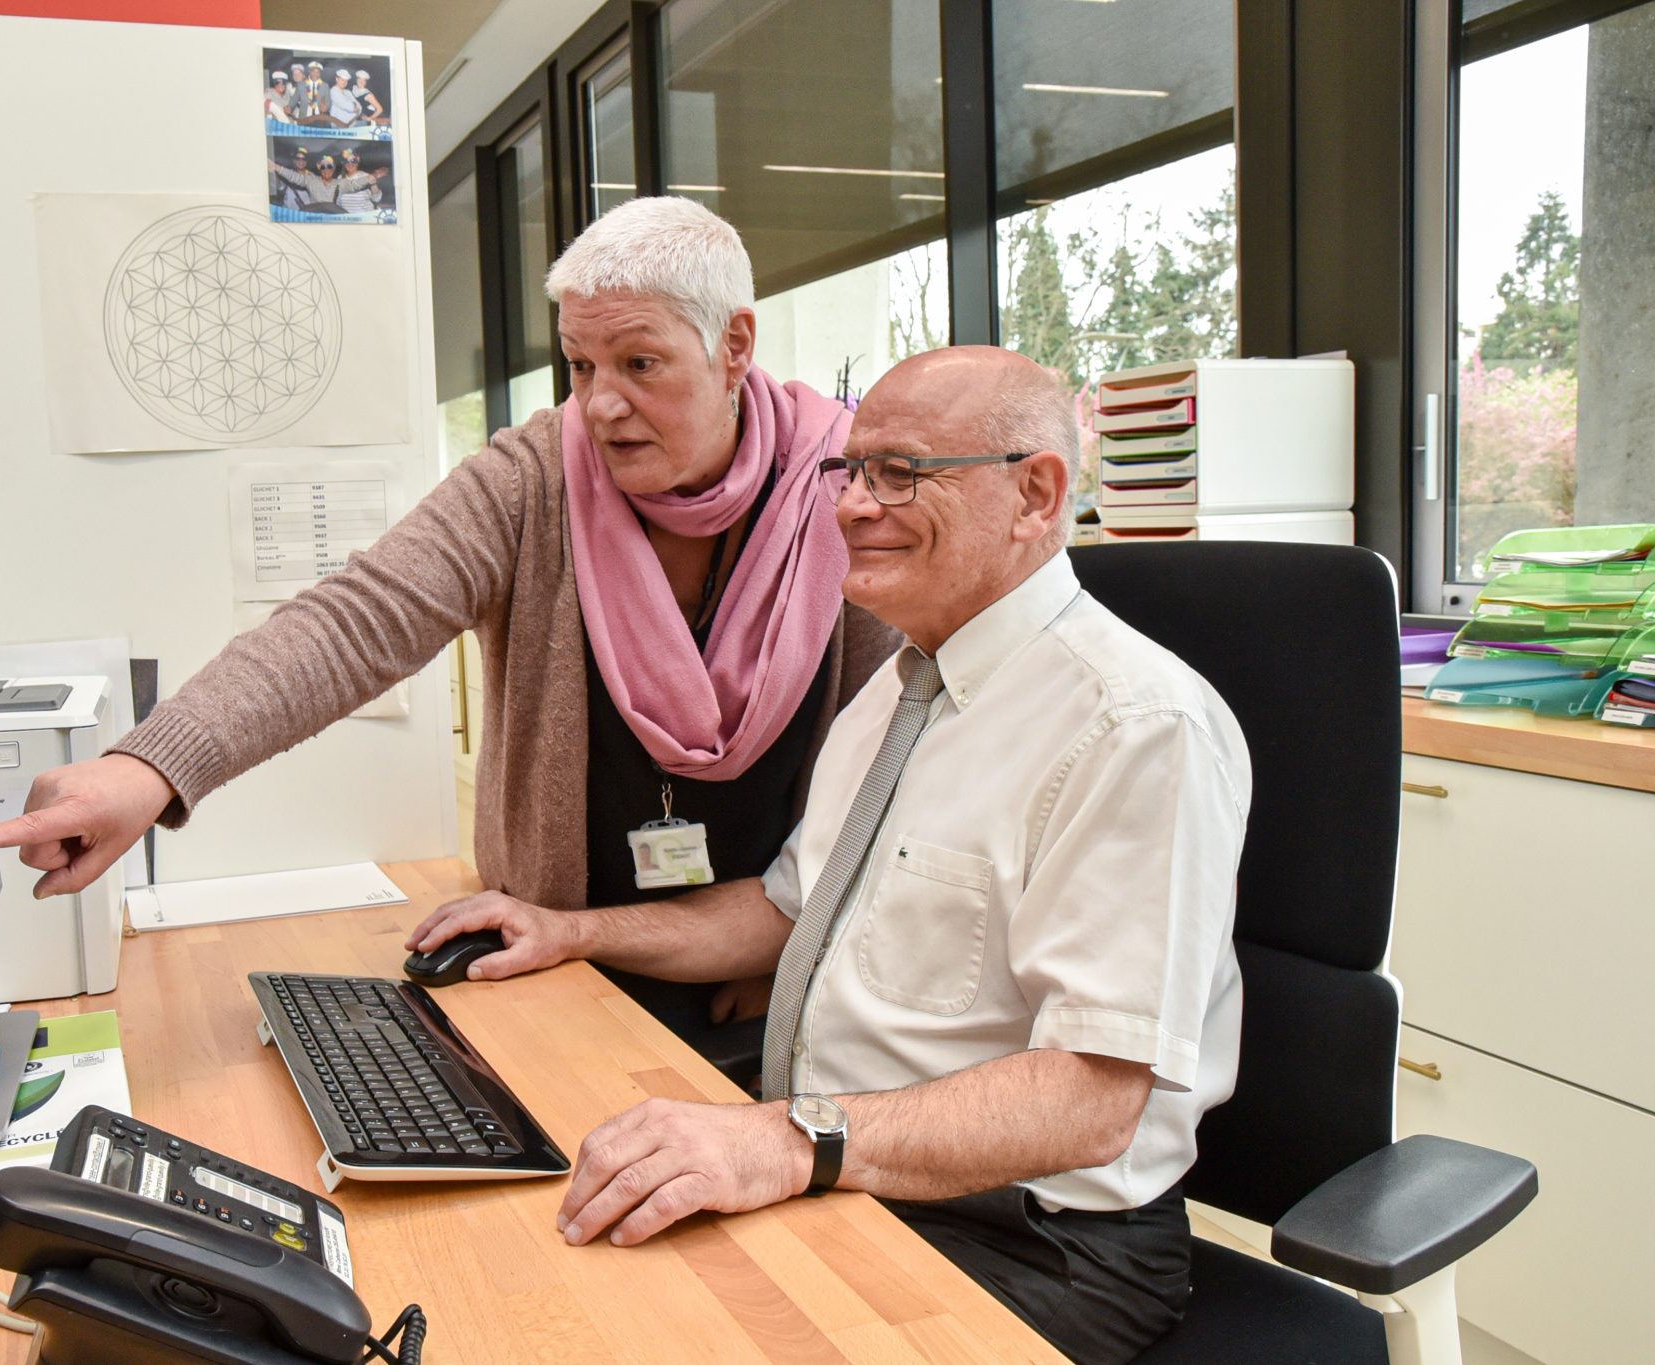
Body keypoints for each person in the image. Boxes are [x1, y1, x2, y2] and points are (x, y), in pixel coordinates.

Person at [402, 346, 1251, 1365]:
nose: (851, 507)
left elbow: (1087, 1100)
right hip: (849, 1175)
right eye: (847, 472)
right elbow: (782, 910)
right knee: (520, 1291)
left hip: (1034, 1246)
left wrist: (783, 1140)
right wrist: (572, 931)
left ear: (1035, 494)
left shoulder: (1133, 727)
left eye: (899, 473)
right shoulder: (895, 692)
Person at [0, 197, 899, 1062]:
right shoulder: (531, 481)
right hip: (554, 960)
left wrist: (792, 931)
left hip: (769, 970)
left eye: (639, 364)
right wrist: (148, 768)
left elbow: (892, 761)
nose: (600, 404)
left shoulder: (842, 488)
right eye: (580, 365)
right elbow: (355, 621)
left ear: (734, 345)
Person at [335, 148, 386, 214]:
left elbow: (377, 199)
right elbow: (338, 201)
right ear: (343, 163)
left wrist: (373, 182)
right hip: (348, 218)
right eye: (346, 161)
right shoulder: (339, 178)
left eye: (353, 161)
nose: (350, 164)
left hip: (365, 216)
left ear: (358, 162)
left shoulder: (366, 176)